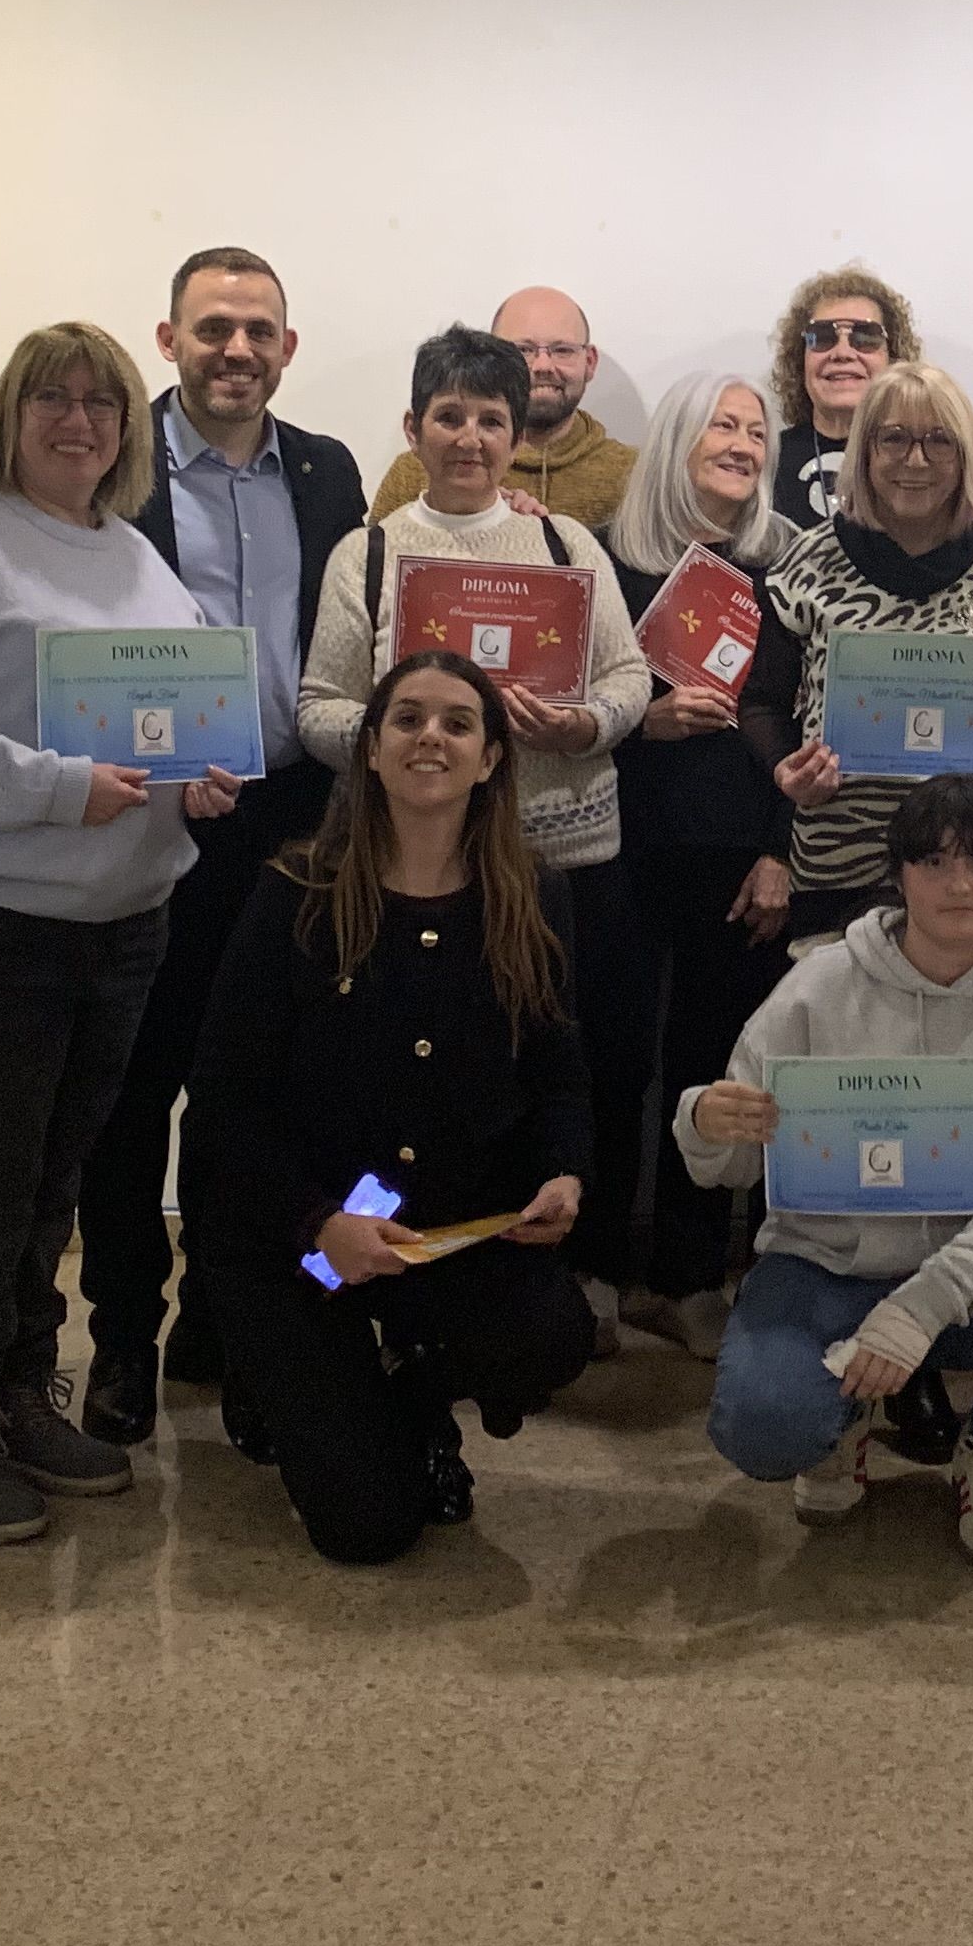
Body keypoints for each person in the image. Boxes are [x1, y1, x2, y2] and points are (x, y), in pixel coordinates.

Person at [0, 323, 242, 1545]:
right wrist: (61, 786)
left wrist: (200, 779)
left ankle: (23, 1388)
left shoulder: (135, 558)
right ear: (10, 413)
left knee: (52, 1178)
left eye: (103, 403)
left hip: (121, 919)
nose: (79, 421)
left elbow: (176, 729)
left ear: (129, 428)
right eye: (52, 399)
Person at [189, 653, 596, 1564]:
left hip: (442, 1231)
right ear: (369, 750)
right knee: (370, 1529)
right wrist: (319, 1222)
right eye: (407, 719)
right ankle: (279, 1383)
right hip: (305, 1242)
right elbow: (224, 1103)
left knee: (550, 1335)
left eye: (458, 723)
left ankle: (409, 1398)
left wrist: (564, 1175)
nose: (431, 739)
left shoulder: (534, 899)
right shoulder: (295, 892)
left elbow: (561, 1077)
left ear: (492, 758)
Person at [301, 323, 652, 1348]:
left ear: (516, 434)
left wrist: (586, 722)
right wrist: (407, 731)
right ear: (414, 427)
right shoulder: (366, 554)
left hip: (560, 859)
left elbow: (629, 680)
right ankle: (339, 1281)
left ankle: (541, 1274)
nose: (468, 437)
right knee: (398, 1084)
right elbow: (318, 707)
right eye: (448, 416)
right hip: (411, 872)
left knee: (551, 1072)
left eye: (489, 419)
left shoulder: (562, 544)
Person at [677, 777, 973, 1565]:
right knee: (763, 1429)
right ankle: (841, 1424)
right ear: (899, 875)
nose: (960, 885)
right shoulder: (818, 983)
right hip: (826, 1264)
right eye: (934, 863)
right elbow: (734, 1163)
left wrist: (920, 1309)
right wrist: (703, 1122)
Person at [75, 247, 370, 1443]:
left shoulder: (328, 470)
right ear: (170, 339)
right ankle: (116, 1343)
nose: (236, 350)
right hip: (151, 815)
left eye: (258, 330)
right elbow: (67, 627)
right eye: (213, 329)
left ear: (288, 349)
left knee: (260, 1094)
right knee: (132, 1092)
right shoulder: (113, 458)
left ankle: (229, 1319)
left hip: (294, 826)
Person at [597, 373, 801, 1359]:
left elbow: (809, 726)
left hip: (741, 859)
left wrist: (780, 855)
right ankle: (593, 1269)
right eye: (722, 424)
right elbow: (568, 706)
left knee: (715, 1069)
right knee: (611, 1061)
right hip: (623, 847)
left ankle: (685, 1277)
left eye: (756, 430)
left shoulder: (787, 567)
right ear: (676, 439)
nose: (742, 442)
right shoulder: (604, 560)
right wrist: (648, 718)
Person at [741, 360, 973, 942]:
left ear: (966, 453)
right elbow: (763, 704)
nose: (915, 461)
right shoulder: (803, 564)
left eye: (938, 440)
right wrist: (784, 771)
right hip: (845, 857)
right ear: (864, 450)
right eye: (893, 438)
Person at [366, 287, 638, 528]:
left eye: (562, 350)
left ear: (589, 362)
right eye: (524, 350)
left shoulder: (633, 475)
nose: (543, 366)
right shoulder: (416, 470)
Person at [767, 265, 917, 526]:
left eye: (865, 337)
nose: (843, 353)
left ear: (893, 358)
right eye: (822, 337)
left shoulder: (921, 458)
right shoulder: (765, 460)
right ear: (799, 358)